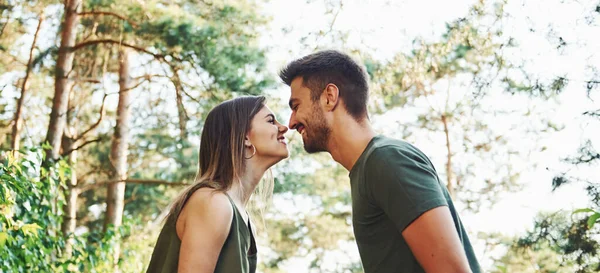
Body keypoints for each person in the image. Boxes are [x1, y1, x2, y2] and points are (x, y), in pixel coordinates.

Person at [279, 50, 481, 273]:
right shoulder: (368, 169)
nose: (291, 122)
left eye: (296, 106)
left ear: (329, 96)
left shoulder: (387, 160)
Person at [145, 96, 289, 273]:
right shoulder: (213, 202)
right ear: (244, 137)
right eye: (271, 121)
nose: (284, 127)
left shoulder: (239, 215)